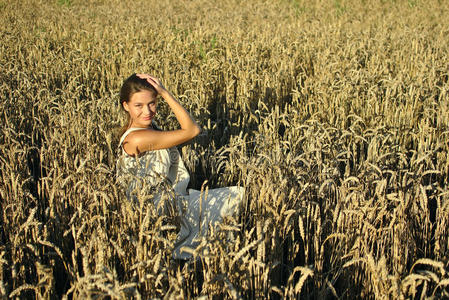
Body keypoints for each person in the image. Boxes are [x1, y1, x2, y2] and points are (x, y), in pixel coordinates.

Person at [116, 73, 244, 260]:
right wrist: (165, 93)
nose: (147, 111)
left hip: (171, 199)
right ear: (125, 106)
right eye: (139, 106)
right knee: (235, 197)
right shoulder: (137, 137)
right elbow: (192, 130)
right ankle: (185, 257)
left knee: (233, 200)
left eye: (152, 103)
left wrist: (162, 93)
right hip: (156, 209)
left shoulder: (150, 129)